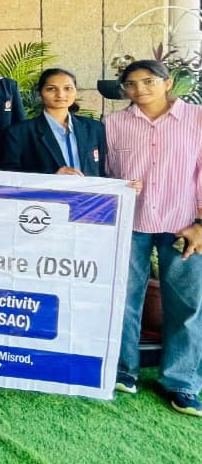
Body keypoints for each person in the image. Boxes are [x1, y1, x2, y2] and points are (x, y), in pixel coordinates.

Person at [104, 60, 202, 416]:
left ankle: (181, 382)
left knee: (186, 305)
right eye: (131, 84)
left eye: (148, 81)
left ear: (167, 83)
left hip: (183, 224)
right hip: (130, 223)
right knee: (123, 297)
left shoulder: (196, 119)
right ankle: (122, 371)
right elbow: (108, 172)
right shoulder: (114, 123)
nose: (140, 89)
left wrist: (200, 223)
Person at [0, 68, 104, 175]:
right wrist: (52, 179)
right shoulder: (19, 133)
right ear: (40, 93)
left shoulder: (94, 128)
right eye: (51, 89)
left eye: (67, 88)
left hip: (88, 186)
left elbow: (101, 171)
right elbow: (9, 176)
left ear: (76, 91)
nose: (60, 94)